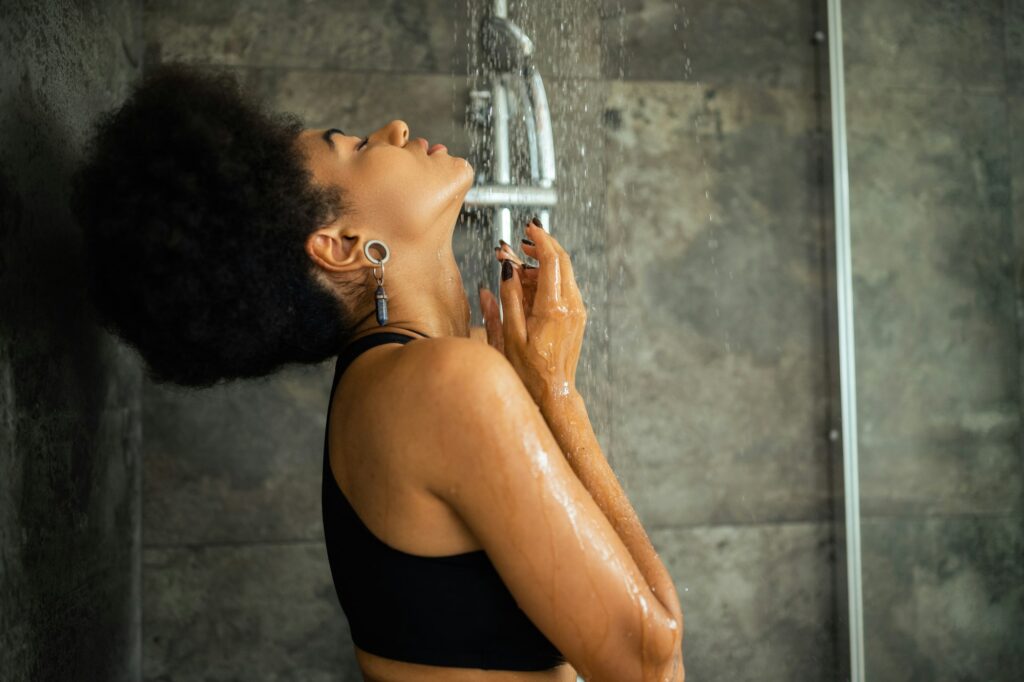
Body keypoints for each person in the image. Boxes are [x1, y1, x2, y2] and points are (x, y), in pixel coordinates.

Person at [71, 63, 684, 682]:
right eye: (359, 147)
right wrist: (558, 396)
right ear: (341, 244)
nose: (393, 129)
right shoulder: (442, 383)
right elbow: (650, 662)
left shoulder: (397, 381)